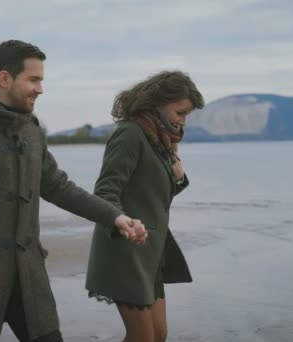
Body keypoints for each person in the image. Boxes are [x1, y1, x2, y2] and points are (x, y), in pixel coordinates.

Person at [0, 40, 147, 342]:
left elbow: (58, 186)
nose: (40, 89)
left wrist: (115, 217)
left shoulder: (33, 131)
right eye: (34, 79)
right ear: (4, 78)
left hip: (29, 278)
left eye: (41, 80)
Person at [85, 70, 204, 342]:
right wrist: (121, 221)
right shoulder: (130, 134)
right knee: (143, 338)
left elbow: (158, 193)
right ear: (158, 104)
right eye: (179, 113)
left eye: (186, 115)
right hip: (126, 250)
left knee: (158, 335)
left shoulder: (159, 139)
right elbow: (105, 190)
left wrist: (178, 172)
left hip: (151, 253)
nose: (183, 121)